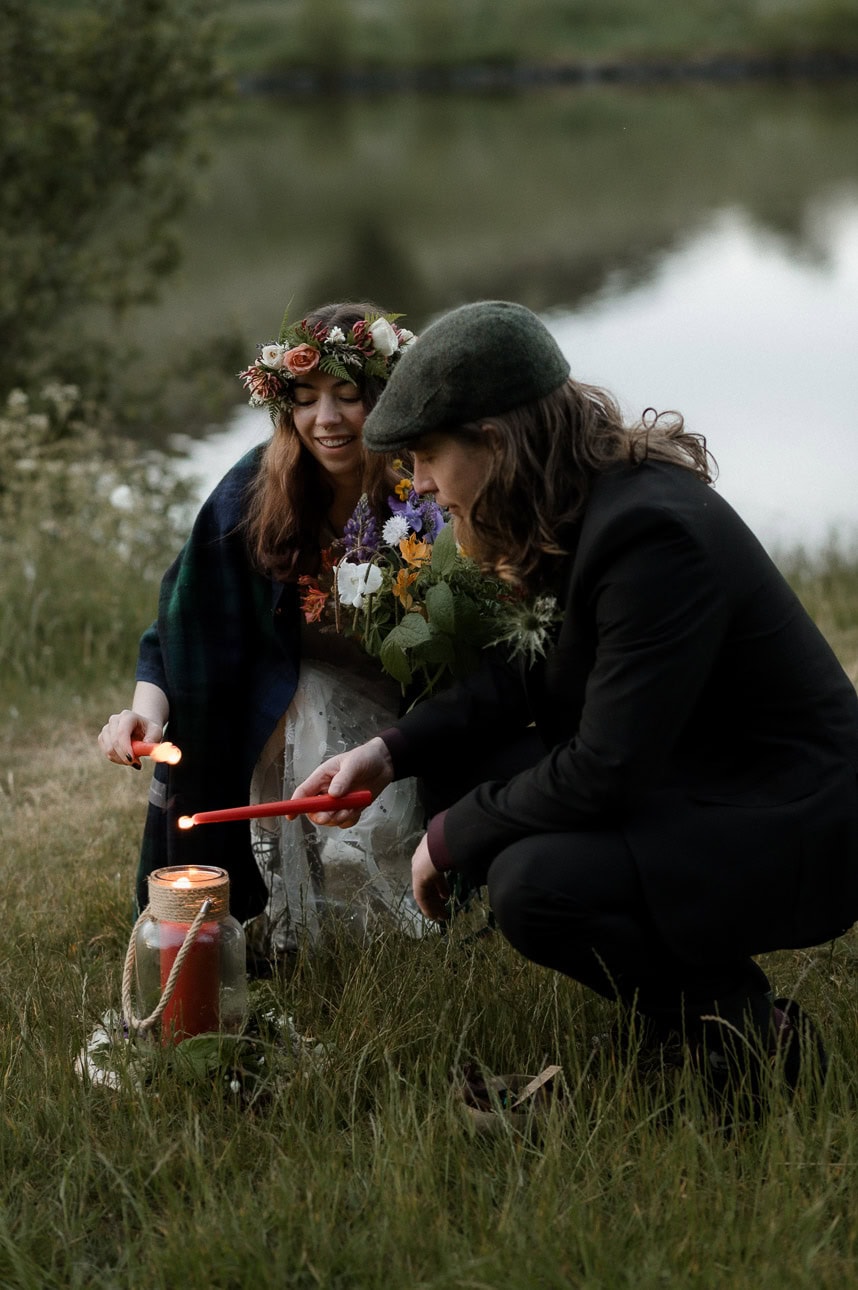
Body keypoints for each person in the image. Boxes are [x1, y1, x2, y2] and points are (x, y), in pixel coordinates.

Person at [293, 298, 858, 1097]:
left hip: (790, 815)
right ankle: (685, 1024)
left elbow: (608, 767)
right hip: (700, 777)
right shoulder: (581, 503)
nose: (419, 484)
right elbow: (529, 674)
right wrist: (390, 752)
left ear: (494, 441)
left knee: (535, 883)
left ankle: (747, 1034)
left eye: (425, 456)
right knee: (484, 773)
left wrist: (455, 835)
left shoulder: (648, 535)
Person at [98, 301, 427, 951]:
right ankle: (274, 916)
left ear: (386, 399)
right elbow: (182, 630)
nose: (325, 419)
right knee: (301, 691)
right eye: (305, 399)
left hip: (410, 708)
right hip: (282, 711)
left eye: (347, 396)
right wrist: (144, 715)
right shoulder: (252, 492)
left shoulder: (426, 485)